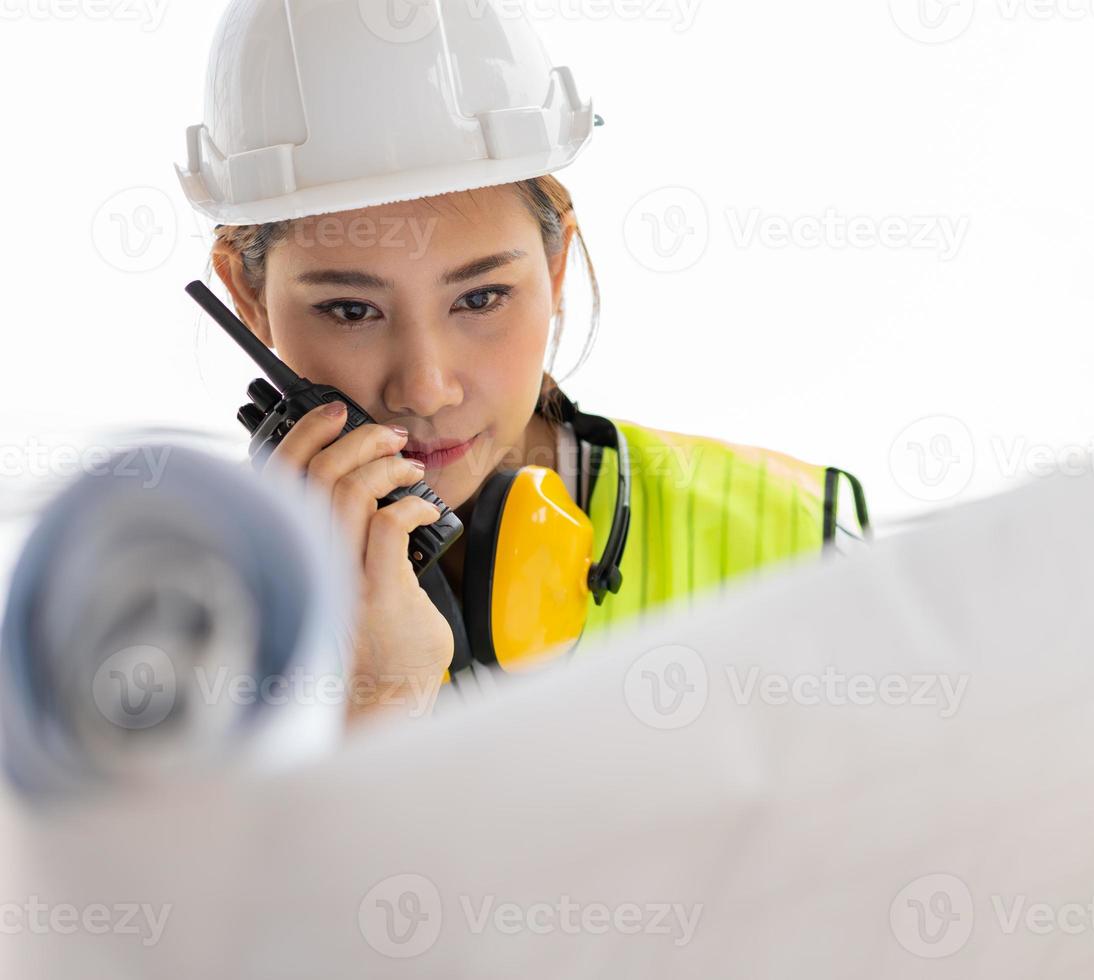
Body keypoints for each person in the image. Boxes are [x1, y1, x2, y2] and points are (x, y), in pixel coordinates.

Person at [183, 0, 871, 727]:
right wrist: (367, 707)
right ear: (248, 298)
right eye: (351, 310)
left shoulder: (794, 546)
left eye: (480, 298)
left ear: (556, 265)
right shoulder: (161, 608)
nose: (425, 387)